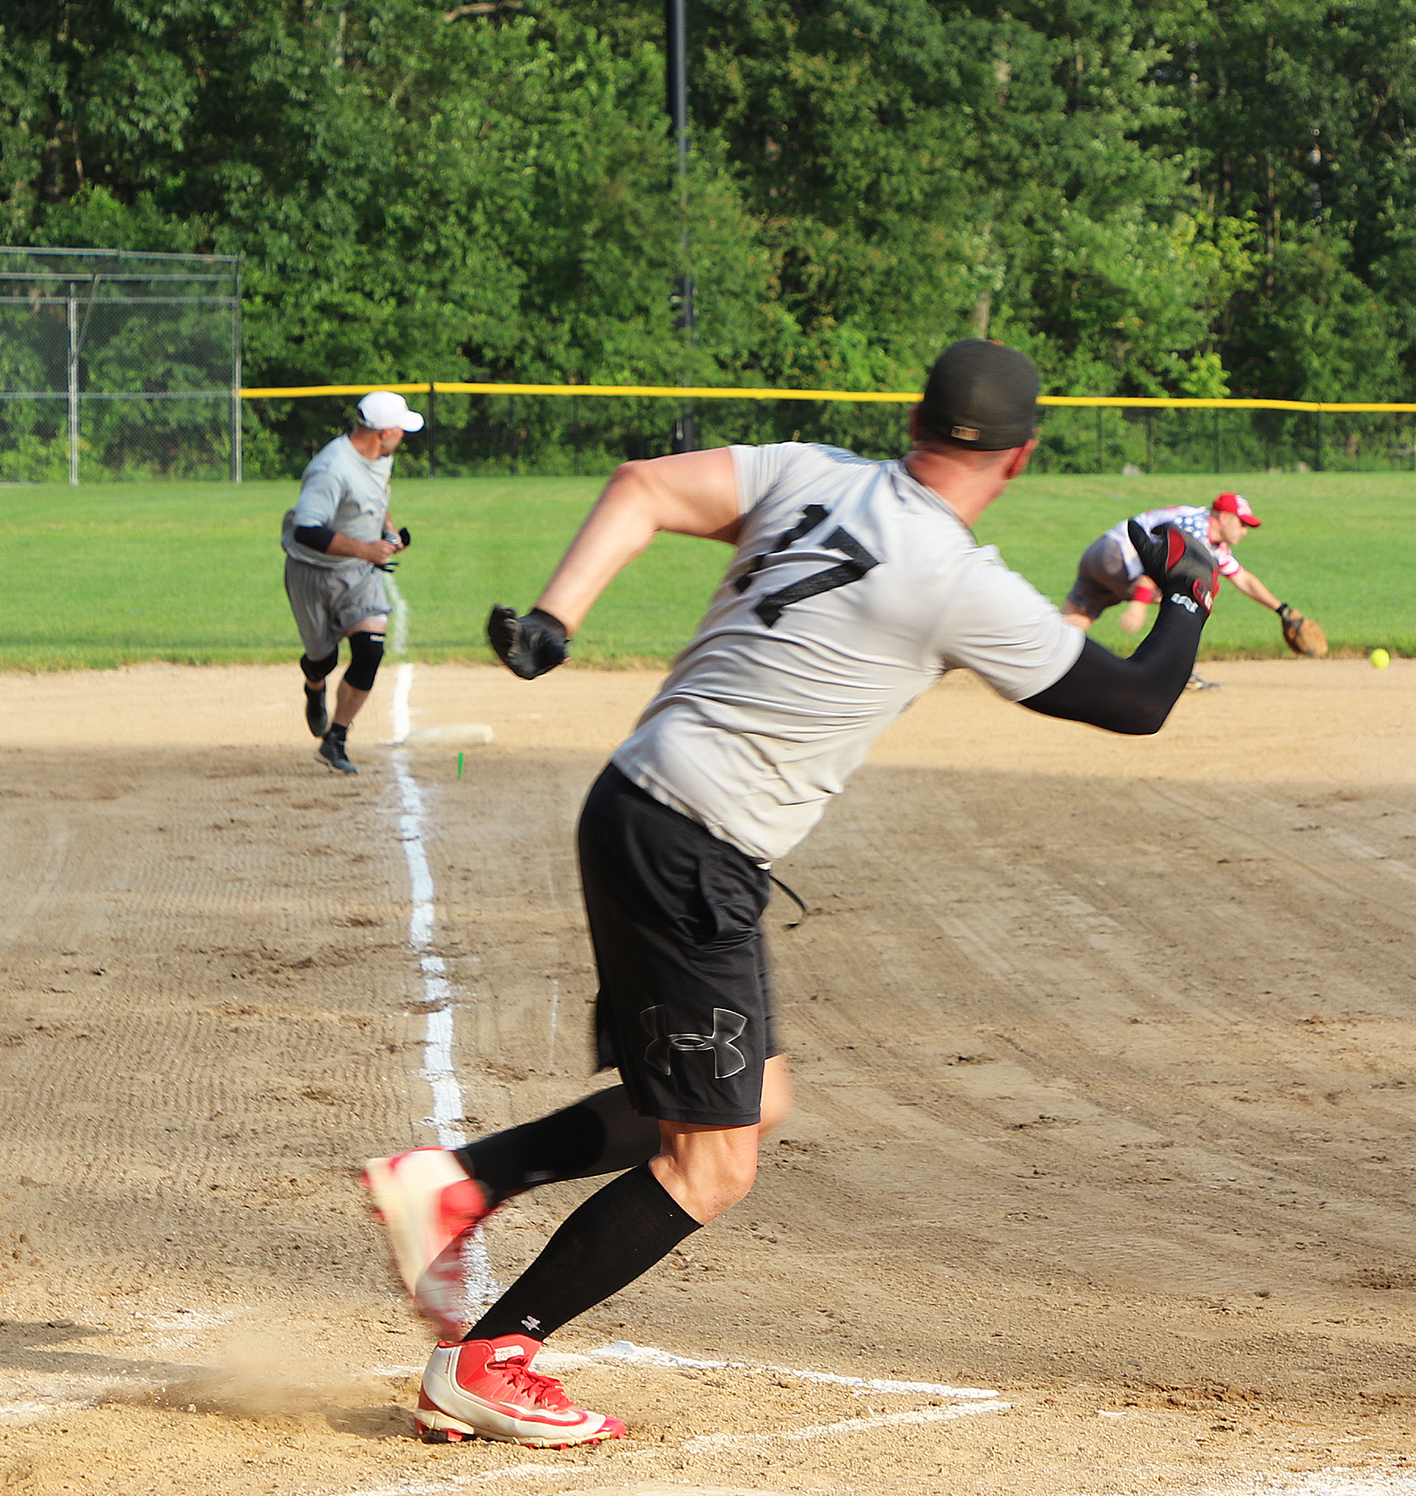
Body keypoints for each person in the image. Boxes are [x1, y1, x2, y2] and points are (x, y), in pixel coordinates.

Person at [359, 339, 1218, 1447]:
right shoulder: (958, 579)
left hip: (638, 802)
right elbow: (1139, 700)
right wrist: (1188, 590)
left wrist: (554, 618)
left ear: (914, 419)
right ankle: (490, 1354)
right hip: (696, 848)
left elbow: (643, 485)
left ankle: (460, 1181)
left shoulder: (820, 475)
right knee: (712, 1159)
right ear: (1023, 454)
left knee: (744, 1099)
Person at [283, 391, 420, 775]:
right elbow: (307, 531)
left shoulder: (380, 456)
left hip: (358, 576)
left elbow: (375, 495)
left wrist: (389, 533)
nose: (403, 438)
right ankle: (314, 685)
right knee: (322, 659)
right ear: (385, 432)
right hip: (311, 572)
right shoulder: (331, 468)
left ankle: (336, 738)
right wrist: (366, 549)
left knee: (369, 652)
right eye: (401, 430)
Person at [1061, 492, 1305, 687]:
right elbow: (1158, 566)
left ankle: (1046, 667)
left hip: (1100, 553)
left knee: (1073, 621)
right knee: (1188, 596)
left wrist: (1281, 610)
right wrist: (1139, 605)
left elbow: (1243, 579)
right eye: (1241, 523)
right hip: (1119, 559)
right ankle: (1174, 671)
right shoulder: (1193, 531)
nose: (1244, 530)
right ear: (1222, 516)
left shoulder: (1211, 542)